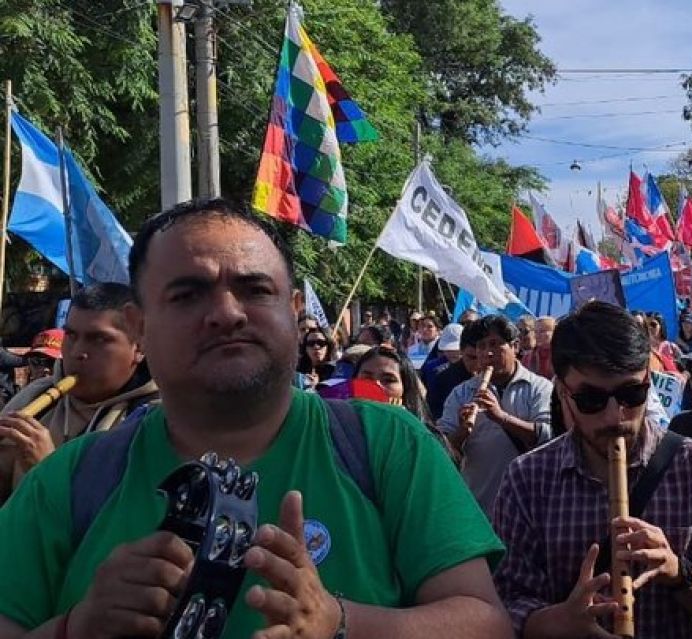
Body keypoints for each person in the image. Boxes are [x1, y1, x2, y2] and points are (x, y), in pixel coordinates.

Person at [0, 199, 512, 638]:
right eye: (187, 294)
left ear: (293, 310)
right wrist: (77, 626)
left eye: (254, 289)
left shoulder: (388, 445)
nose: (227, 312)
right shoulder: (67, 482)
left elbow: (486, 623)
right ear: (140, 326)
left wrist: (338, 621)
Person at [492, 301, 692, 638]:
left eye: (632, 393)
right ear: (562, 391)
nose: (615, 416)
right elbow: (505, 603)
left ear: (648, 378)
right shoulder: (526, 478)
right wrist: (559, 621)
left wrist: (680, 573)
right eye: (591, 400)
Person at [0, 283, 159, 504]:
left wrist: (48, 471)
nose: (76, 353)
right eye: (71, 336)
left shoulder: (154, 422)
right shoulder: (35, 397)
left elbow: (121, 526)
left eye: (99, 339)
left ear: (139, 347)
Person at [439, 315, 553, 512]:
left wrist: (501, 417)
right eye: (481, 346)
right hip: (480, 505)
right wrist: (462, 431)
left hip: (531, 506)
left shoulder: (540, 388)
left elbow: (549, 437)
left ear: (515, 346)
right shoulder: (461, 393)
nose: (487, 353)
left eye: (495, 344)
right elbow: (441, 448)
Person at [354, 344, 456, 462]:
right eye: (367, 379)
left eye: (388, 380)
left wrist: (398, 424)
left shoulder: (426, 438)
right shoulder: (337, 426)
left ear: (405, 388)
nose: (376, 386)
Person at [428, 321, 483, 420]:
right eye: (472, 357)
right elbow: (434, 417)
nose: (478, 364)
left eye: (482, 357)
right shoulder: (442, 379)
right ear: (461, 350)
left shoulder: (498, 378)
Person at [421, 323, 464, 387]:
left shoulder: (473, 367)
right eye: (448, 349)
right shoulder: (432, 369)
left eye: (455, 349)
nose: (452, 353)